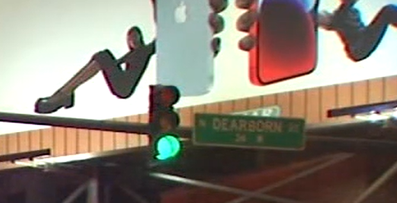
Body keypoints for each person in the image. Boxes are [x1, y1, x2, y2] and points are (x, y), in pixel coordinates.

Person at [36, 0, 229, 114]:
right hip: (122, 85)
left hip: (124, 89)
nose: (134, 40)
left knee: (102, 56)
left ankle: (64, 94)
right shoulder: (133, 54)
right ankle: (64, 94)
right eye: (131, 38)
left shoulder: (144, 51)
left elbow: (163, 28)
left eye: (136, 37)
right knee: (102, 56)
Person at [237, 0, 397, 62]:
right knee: (389, 10)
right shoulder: (339, 16)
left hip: (363, 40)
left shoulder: (348, 13)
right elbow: (322, 17)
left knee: (390, 10)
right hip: (357, 49)